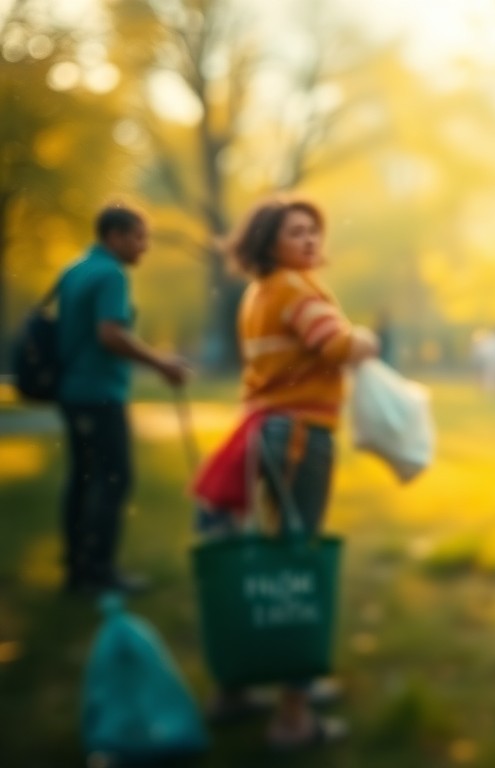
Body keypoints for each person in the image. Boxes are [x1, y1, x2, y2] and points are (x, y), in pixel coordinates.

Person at [197, 198, 379, 748]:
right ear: (269, 243)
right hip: (300, 437)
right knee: (298, 562)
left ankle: (237, 685)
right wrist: (368, 338)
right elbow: (336, 344)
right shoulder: (298, 289)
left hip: (262, 431)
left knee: (255, 556)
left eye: (312, 231)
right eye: (294, 232)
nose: (307, 241)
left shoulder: (259, 292)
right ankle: (293, 717)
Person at [55, 204, 190, 595]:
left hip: (72, 392)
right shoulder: (111, 274)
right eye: (137, 237)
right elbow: (110, 334)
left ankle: (77, 568)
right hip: (99, 393)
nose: (144, 247)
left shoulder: (75, 268)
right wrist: (160, 363)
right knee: (114, 478)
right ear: (113, 236)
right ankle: (100, 572)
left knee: (81, 479)